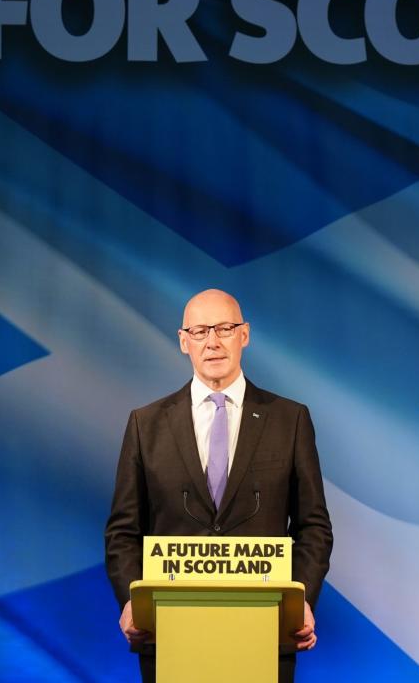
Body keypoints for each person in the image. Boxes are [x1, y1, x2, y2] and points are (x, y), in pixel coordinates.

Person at [104, 288, 334, 682]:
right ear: (183, 341)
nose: (212, 342)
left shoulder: (289, 419)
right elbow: (123, 532)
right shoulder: (146, 424)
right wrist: (131, 601)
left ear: (244, 335)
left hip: (264, 632)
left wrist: (300, 600)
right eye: (199, 331)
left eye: (224, 328)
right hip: (169, 634)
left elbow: (313, 527)